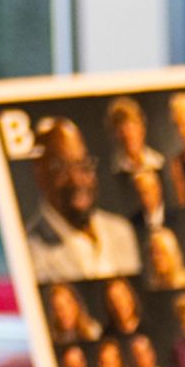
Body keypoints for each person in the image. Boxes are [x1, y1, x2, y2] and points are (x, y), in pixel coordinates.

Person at [35, 118, 147, 281]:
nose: (77, 180)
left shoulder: (121, 231)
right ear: (40, 174)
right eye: (62, 167)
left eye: (82, 164)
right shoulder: (28, 253)